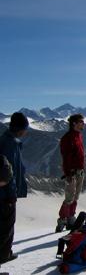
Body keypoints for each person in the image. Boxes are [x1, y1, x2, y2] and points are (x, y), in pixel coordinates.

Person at [0, 112, 29, 265]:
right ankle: (4, 255)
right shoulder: (10, 144)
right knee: (6, 226)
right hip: (5, 195)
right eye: (25, 128)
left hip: (3, 193)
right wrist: (11, 194)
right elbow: (8, 173)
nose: (26, 131)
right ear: (20, 129)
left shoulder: (7, 140)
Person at [56, 114, 86, 232]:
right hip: (72, 172)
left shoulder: (78, 136)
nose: (83, 124)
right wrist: (68, 172)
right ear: (74, 123)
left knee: (75, 196)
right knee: (69, 197)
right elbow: (66, 157)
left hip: (79, 170)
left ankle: (71, 217)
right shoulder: (68, 138)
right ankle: (63, 219)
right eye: (81, 122)